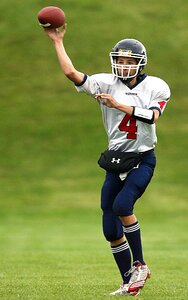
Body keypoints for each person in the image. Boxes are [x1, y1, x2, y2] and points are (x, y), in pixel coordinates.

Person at [43, 24, 170, 296]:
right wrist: (57, 41)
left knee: (123, 204)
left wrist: (117, 104)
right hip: (116, 160)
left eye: (129, 61)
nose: (124, 66)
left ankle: (141, 265)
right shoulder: (106, 81)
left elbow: (152, 117)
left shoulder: (156, 86)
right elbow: (71, 73)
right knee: (110, 227)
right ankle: (128, 283)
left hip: (142, 158)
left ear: (140, 63)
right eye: (119, 61)